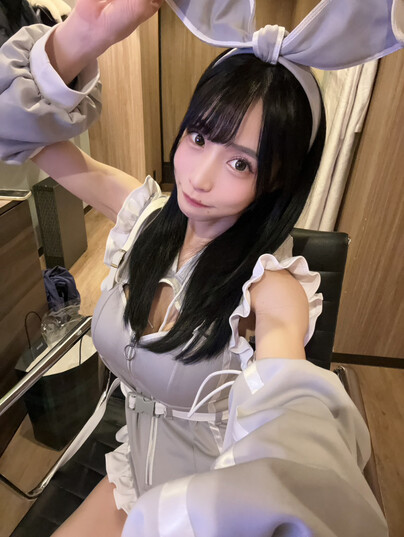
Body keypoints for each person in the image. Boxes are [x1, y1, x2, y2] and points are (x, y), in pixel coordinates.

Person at [0, 1, 388, 536]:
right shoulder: (143, 218)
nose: (199, 178)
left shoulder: (272, 290)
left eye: (240, 163)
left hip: (208, 508)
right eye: (199, 137)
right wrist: (81, 38)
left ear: (278, 178)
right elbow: (14, 128)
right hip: (133, 474)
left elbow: (294, 424)